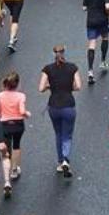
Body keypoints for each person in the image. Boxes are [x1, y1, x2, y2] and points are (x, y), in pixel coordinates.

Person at [40, 46, 83, 176]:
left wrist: (51, 86)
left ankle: (60, 162)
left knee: (58, 133)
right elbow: (79, 86)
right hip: (69, 105)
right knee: (67, 135)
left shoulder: (47, 69)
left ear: (54, 54)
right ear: (64, 53)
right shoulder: (73, 67)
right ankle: (65, 159)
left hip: (53, 106)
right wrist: (68, 86)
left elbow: (41, 88)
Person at [0, 73, 29, 193]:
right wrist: (26, 114)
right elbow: (22, 110)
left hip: (4, 125)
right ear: (17, 84)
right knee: (16, 145)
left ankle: (7, 181)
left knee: (6, 153)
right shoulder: (21, 96)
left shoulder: (0, 95)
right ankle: (15, 170)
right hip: (18, 124)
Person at [83, 0, 109, 81]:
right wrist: (108, 12)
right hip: (103, 21)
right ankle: (103, 61)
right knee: (105, 38)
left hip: (91, 21)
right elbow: (108, 6)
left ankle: (90, 70)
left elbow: (84, 8)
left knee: (92, 44)